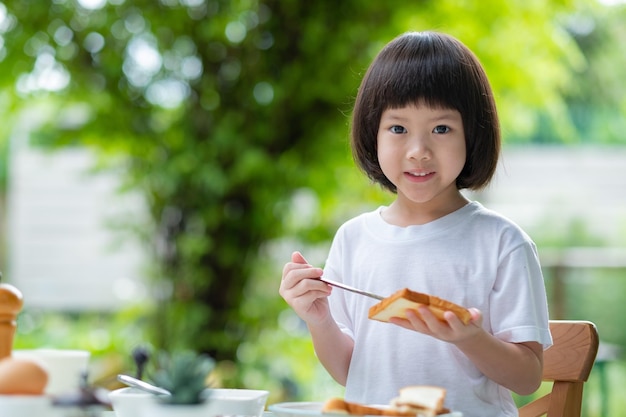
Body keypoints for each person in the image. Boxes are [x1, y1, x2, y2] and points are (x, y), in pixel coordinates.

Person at [279, 31, 552, 417]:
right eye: (398, 129)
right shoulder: (354, 238)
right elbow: (346, 371)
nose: (418, 151)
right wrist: (319, 320)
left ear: (473, 135)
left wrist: (470, 338)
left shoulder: (502, 242)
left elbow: (527, 378)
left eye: (441, 129)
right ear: (372, 134)